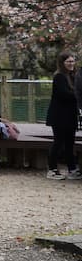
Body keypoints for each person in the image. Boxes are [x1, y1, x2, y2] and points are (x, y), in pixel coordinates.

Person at [45, 52, 81, 180]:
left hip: (70, 115)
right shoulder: (59, 76)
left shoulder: (73, 76)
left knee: (70, 143)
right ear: (62, 63)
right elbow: (64, 94)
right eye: (68, 61)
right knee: (58, 142)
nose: (71, 64)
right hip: (59, 115)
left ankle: (72, 169)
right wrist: (78, 96)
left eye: (72, 61)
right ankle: (52, 169)